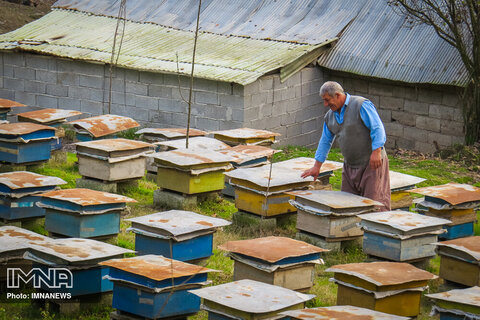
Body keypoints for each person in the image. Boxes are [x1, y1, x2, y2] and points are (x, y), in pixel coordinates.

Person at [301, 81, 391, 211]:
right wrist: (317, 166)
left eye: (327, 100)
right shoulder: (330, 116)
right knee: (347, 205)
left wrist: (376, 151)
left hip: (371, 164)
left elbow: (377, 128)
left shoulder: (361, 105)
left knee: (374, 205)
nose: (326, 104)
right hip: (350, 166)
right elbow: (325, 141)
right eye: (324, 101)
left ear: (337, 95)